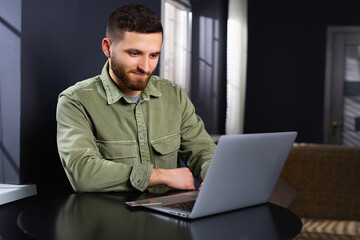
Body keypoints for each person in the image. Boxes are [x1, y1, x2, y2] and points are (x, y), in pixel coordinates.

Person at [56, 4, 216, 193]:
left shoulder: (174, 95)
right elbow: (82, 172)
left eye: (154, 55)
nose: (146, 67)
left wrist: (214, 177)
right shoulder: (75, 101)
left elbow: (203, 151)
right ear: (108, 48)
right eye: (134, 53)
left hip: (170, 215)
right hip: (111, 219)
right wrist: (160, 176)